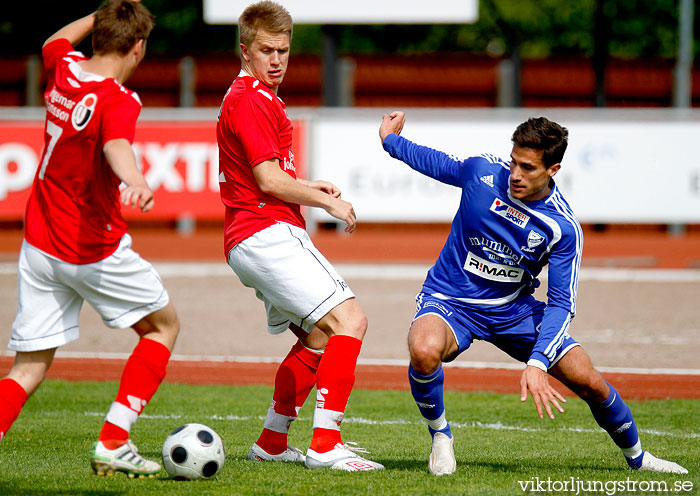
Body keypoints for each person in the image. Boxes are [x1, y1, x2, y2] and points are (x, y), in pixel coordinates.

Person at [378, 111, 688, 476]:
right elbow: (436, 163)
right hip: (451, 300)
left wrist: (538, 362)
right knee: (424, 349)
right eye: (513, 162)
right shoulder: (481, 173)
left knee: (588, 382)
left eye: (528, 168)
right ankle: (440, 436)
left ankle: (639, 457)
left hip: (514, 311)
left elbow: (561, 303)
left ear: (553, 170)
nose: (515, 175)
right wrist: (390, 141)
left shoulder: (562, 228)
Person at [0, 0, 180, 479]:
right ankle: (114, 441)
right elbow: (115, 144)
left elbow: (54, 40)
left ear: (96, 36)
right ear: (138, 47)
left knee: (28, 368)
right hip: (90, 247)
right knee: (162, 328)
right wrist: (136, 180)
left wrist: (101, 17)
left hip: (38, 244)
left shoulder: (65, 69)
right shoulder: (119, 99)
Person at [216, 0, 383, 472]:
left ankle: (271, 441)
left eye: (283, 51)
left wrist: (308, 186)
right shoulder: (250, 98)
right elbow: (267, 182)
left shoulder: (257, 96)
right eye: (266, 50)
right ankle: (326, 444)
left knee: (316, 336)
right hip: (265, 231)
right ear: (244, 50)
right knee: (350, 322)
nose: (276, 60)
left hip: (253, 235)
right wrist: (327, 203)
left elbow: (260, 174)